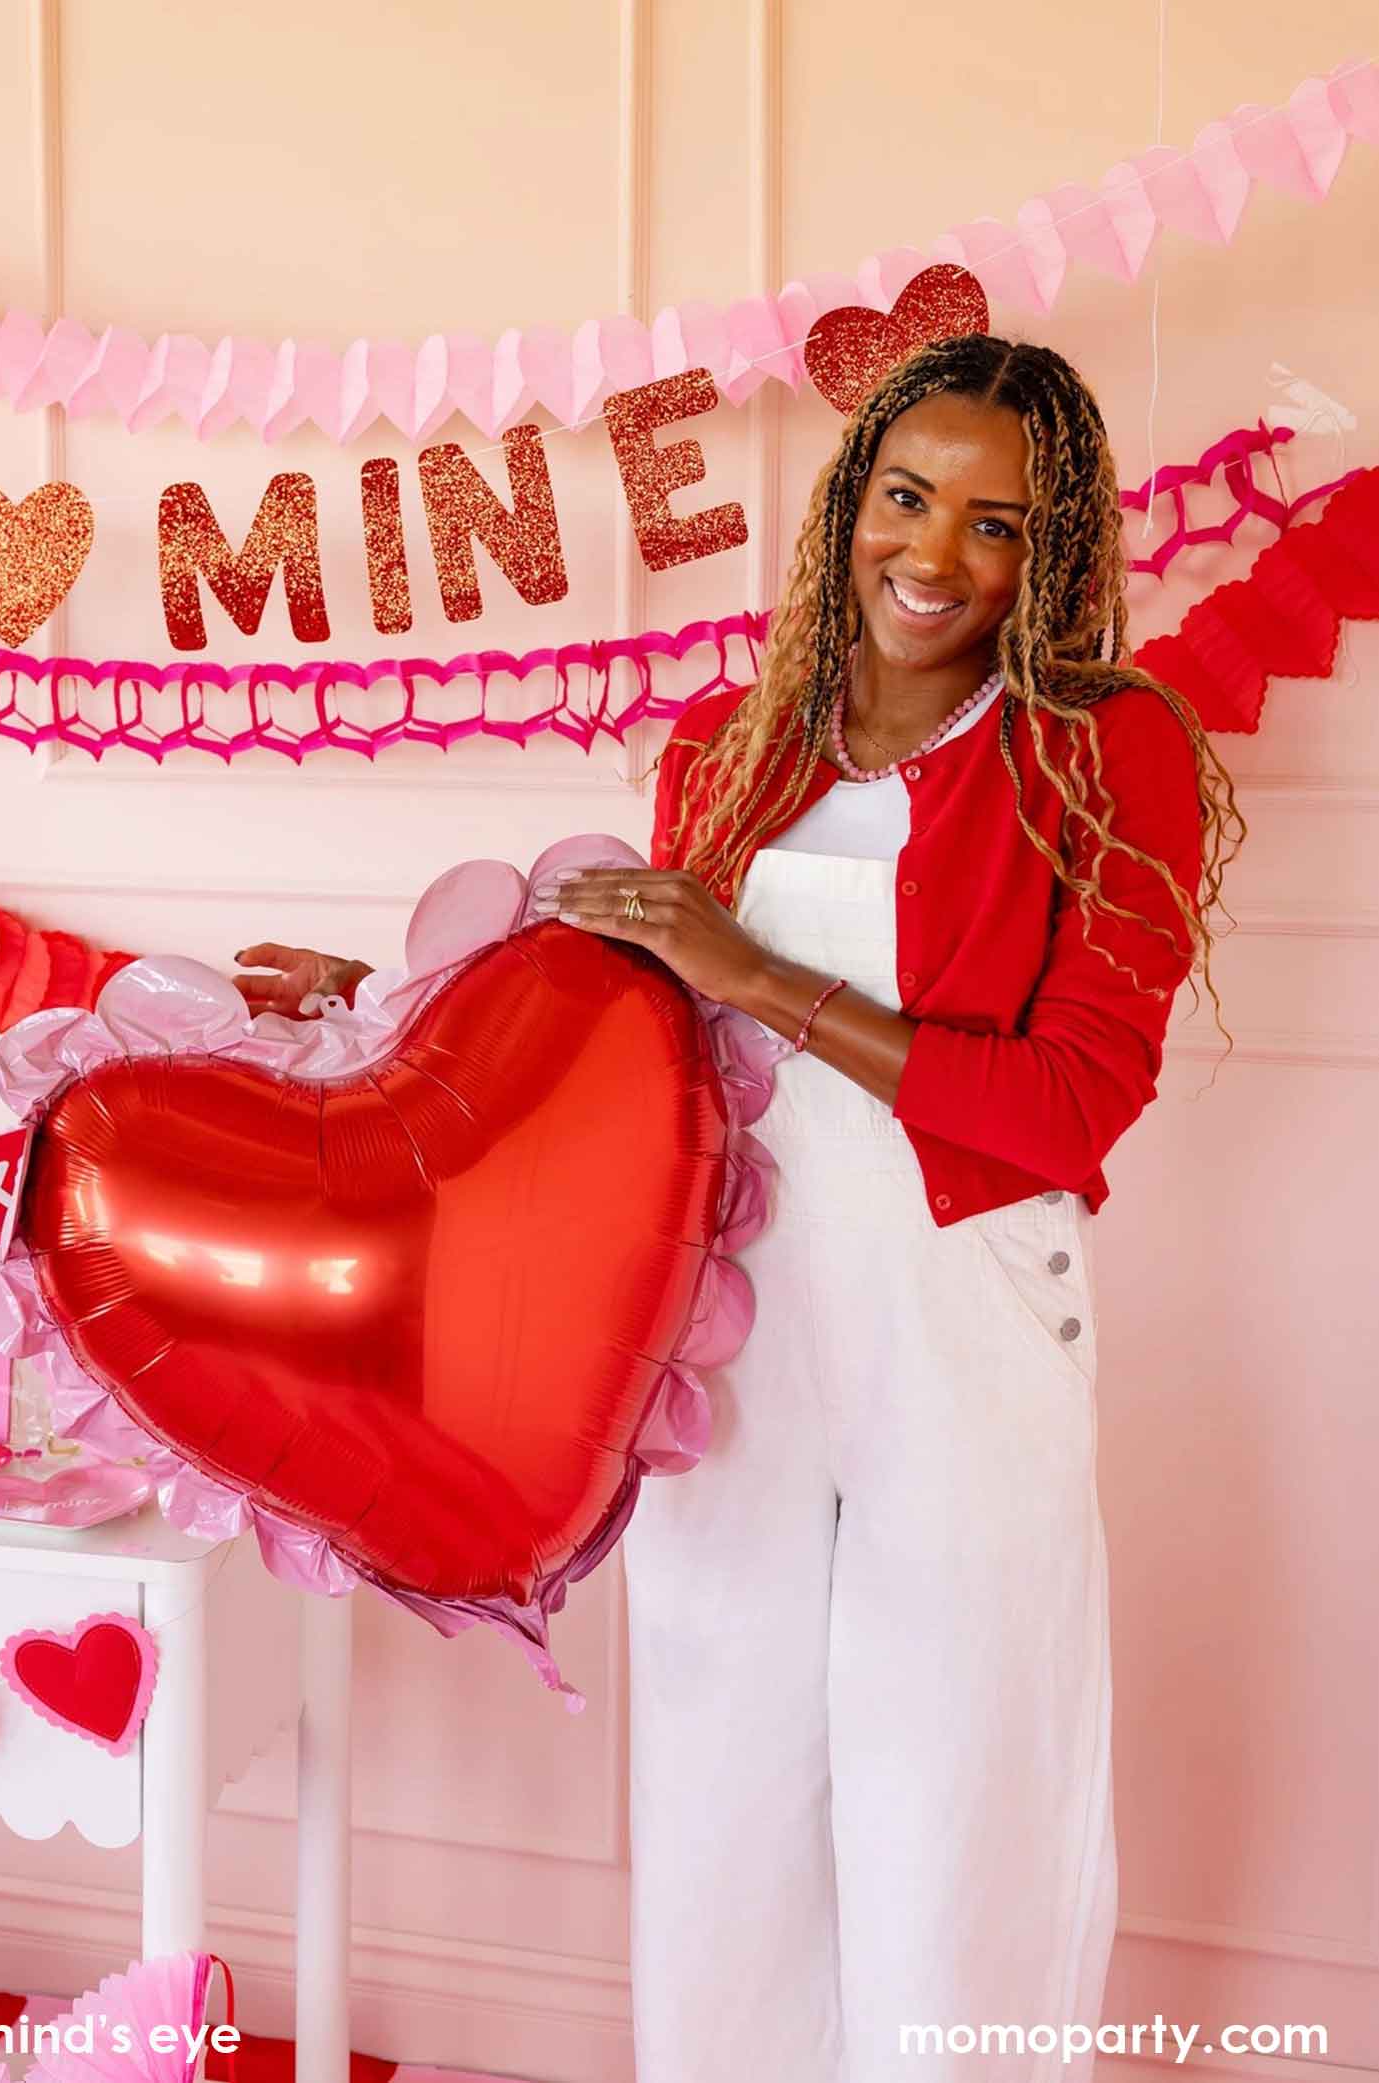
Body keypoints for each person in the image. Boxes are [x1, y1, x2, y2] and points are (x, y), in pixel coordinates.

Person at [232, 331, 1246, 2080]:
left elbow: (1068, 1106)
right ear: (848, 502)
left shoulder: (1102, 749)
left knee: (958, 1786)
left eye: (997, 524)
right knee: (719, 1783)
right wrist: (380, 1012)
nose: (933, 556)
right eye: (905, 498)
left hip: (964, 1317)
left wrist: (759, 973)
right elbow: (635, 1033)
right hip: (724, 1322)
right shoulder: (734, 744)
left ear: (1056, 550)